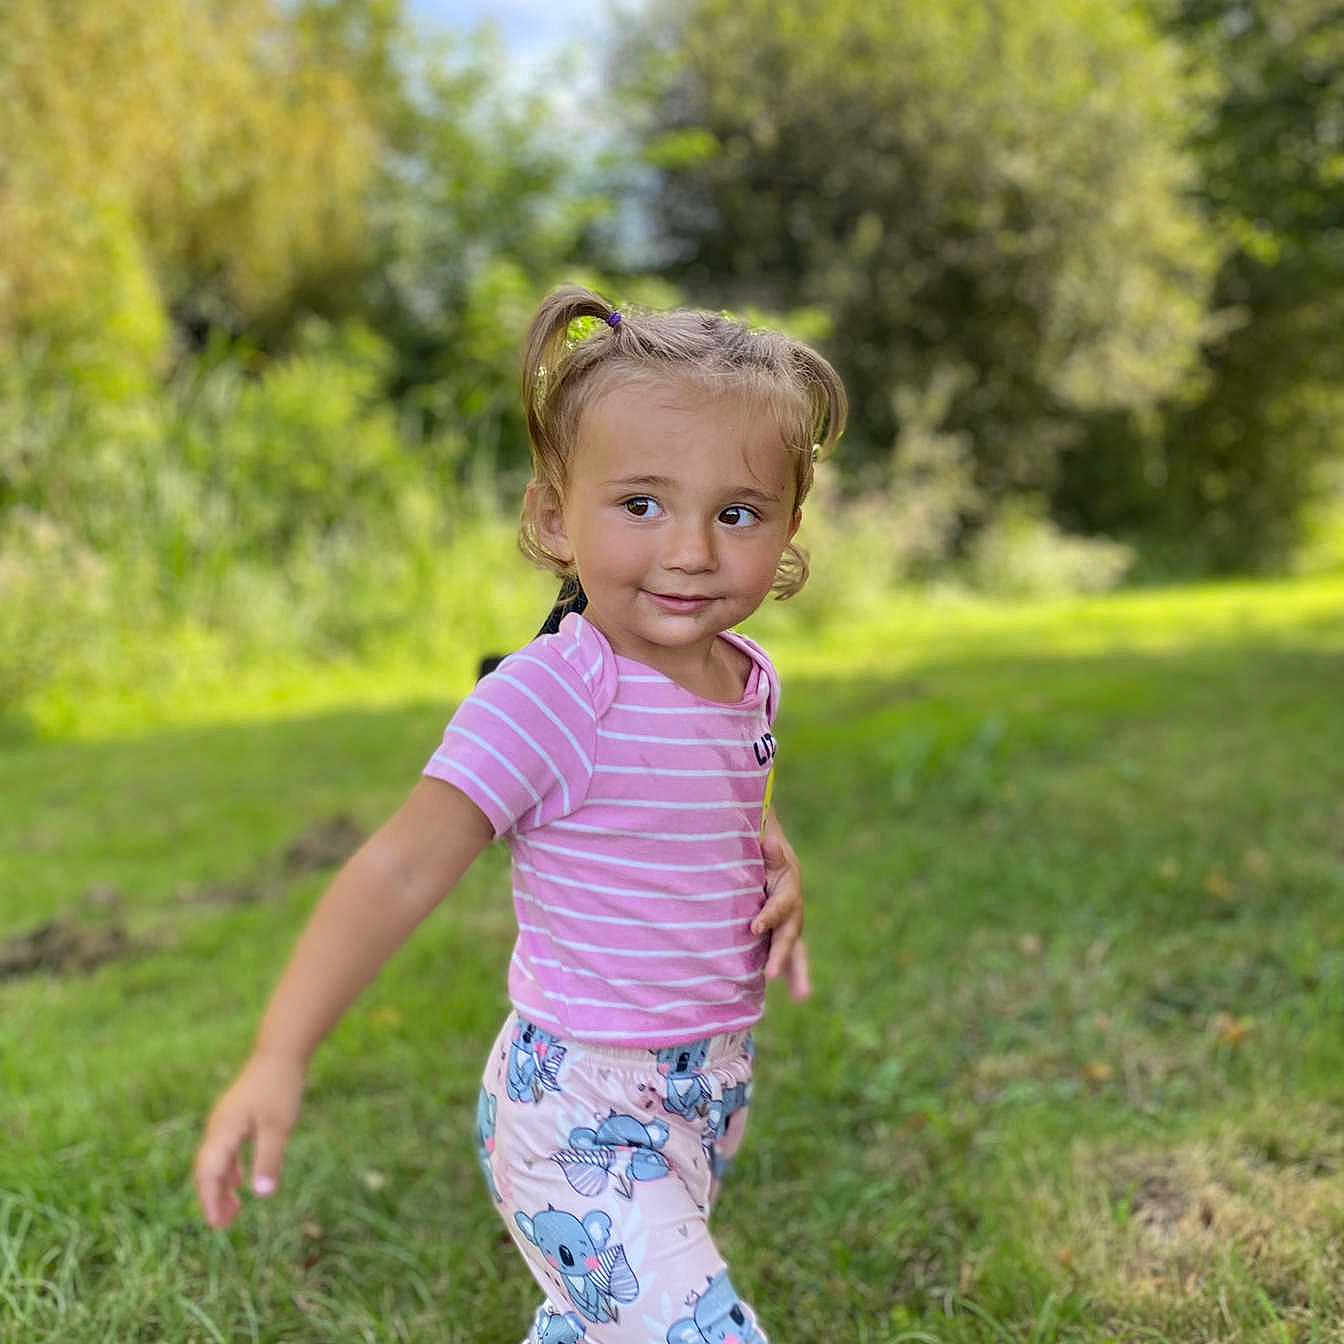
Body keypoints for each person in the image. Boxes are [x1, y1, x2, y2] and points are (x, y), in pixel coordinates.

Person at [194, 285, 846, 1344]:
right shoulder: (549, 697)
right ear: (554, 514)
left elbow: (723, 812)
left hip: (710, 1086)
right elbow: (398, 873)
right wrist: (281, 1053)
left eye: (736, 513)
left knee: (601, 1321)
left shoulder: (748, 676)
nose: (689, 549)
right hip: (579, 1108)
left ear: (786, 529)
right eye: (640, 504)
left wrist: (783, 869)